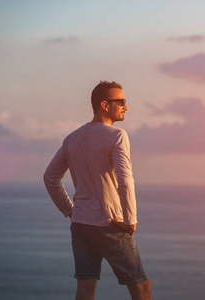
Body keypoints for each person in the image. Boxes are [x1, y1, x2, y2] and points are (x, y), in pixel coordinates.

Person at [43, 81, 152, 300]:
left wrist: (71, 211)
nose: (126, 106)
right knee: (141, 288)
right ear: (104, 105)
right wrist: (130, 219)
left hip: (81, 225)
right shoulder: (117, 136)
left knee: (85, 291)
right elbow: (125, 180)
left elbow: (50, 177)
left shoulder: (72, 138)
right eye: (120, 101)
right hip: (110, 224)